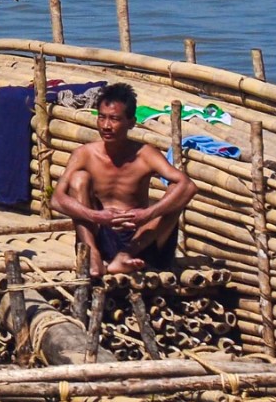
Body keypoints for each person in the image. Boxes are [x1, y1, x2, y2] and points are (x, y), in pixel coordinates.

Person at [50, 82, 197, 275]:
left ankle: (125, 256)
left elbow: (188, 186)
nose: (106, 126)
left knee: (176, 192)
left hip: (140, 238)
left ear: (131, 122)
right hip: (99, 234)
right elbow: (56, 199)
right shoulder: (84, 154)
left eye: (115, 119)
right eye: (102, 118)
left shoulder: (145, 154)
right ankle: (93, 255)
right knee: (79, 179)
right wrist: (96, 216)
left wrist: (146, 215)